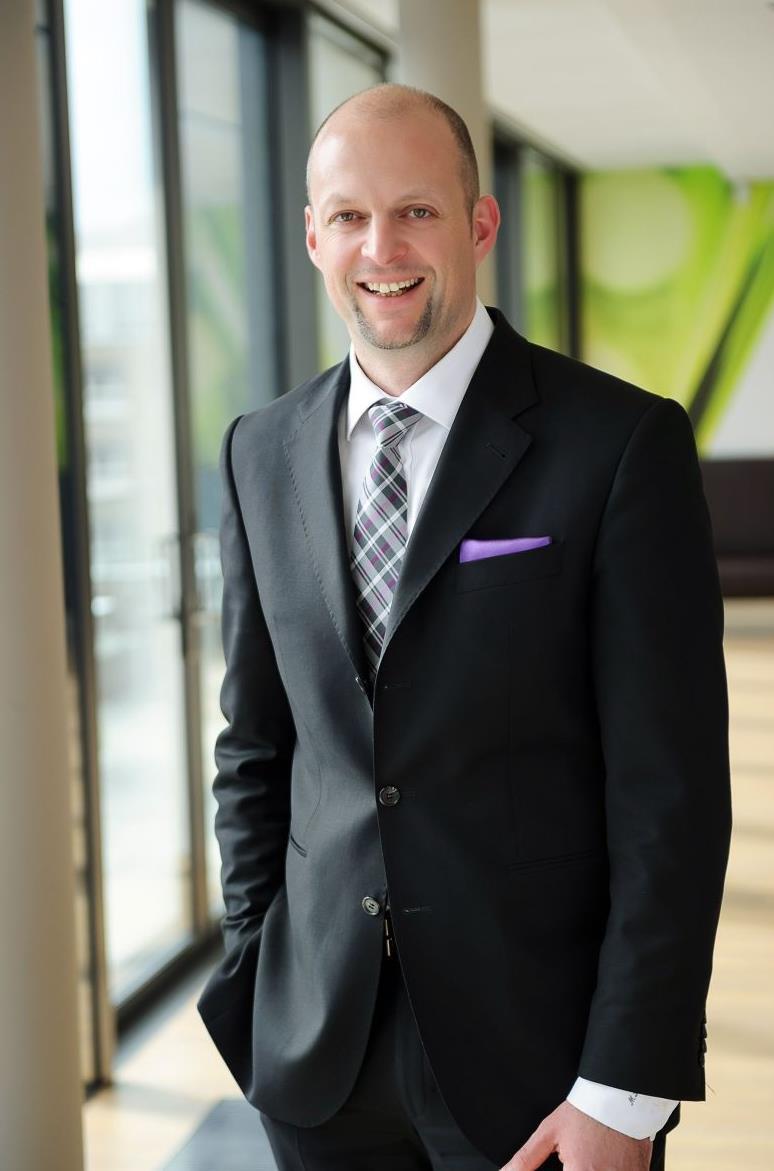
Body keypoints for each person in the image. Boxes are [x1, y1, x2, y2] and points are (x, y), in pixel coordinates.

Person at [197, 84, 731, 1171]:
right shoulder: (259, 450)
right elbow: (255, 745)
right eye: (349, 216)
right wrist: (256, 969)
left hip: (544, 1065)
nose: (381, 248)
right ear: (312, 237)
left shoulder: (619, 444)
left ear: (480, 224)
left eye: (417, 211)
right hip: (317, 1057)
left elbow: (670, 794)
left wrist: (625, 1087)